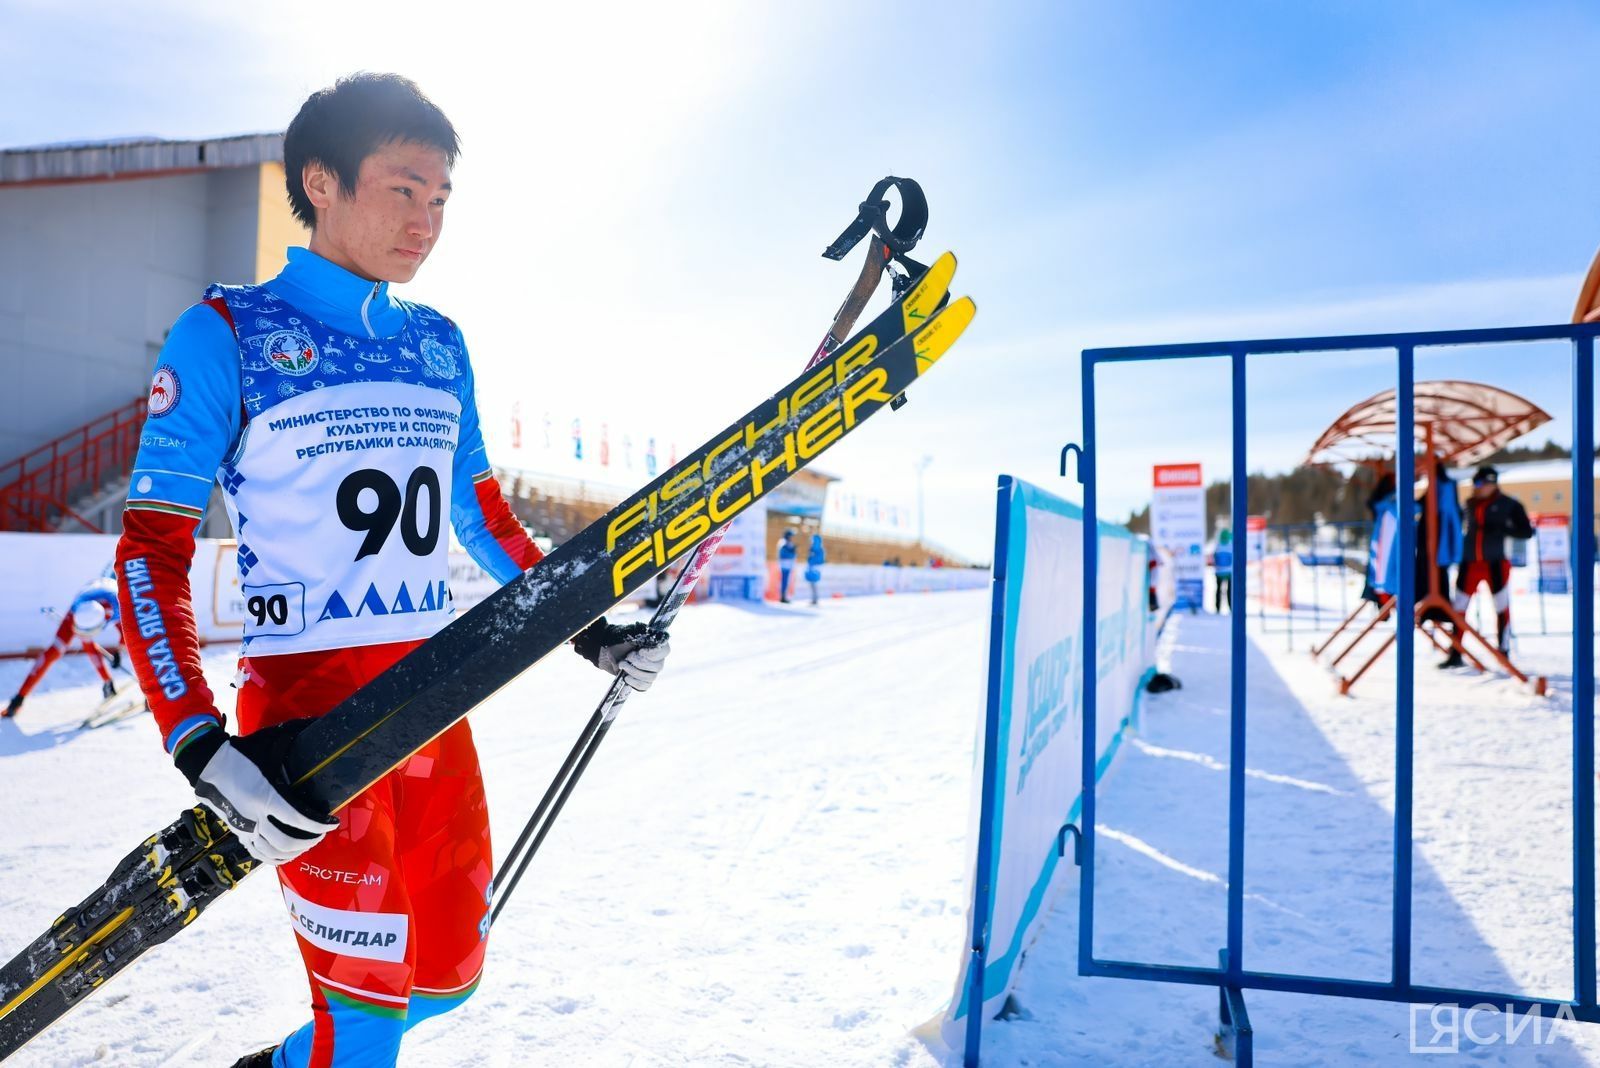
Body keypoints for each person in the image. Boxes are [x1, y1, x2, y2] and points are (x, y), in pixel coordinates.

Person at [113, 74, 672, 1068]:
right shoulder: (228, 332)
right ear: (321, 183)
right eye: (404, 190)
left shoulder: (437, 344)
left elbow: (481, 517)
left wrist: (586, 627)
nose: (427, 223)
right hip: (312, 721)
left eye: (441, 198)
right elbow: (152, 550)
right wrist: (198, 740)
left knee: (446, 980)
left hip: (432, 698)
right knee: (366, 1022)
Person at [1442, 464, 1534, 665]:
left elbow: (1526, 531)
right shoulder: (1469, 504)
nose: (1477, 488)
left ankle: (1503, 651)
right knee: (1459, 606)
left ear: (1492, 483)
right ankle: (1455, 651)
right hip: (1469, 563)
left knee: (1501, 607)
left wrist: (1503, 529)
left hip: (1496, 563)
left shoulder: (1509, 504)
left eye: (1480, 483)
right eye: (1475, 483)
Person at [5, 568, 123, 718]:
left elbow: (126, 637)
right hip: (88, 599)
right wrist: (107, 678)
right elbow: (87, 644)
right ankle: (19, 698)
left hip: (111, 596)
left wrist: (118, 652)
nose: (82, 636)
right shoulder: (78, 609)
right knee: (54, 651)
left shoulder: (119, 610)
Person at [1210, 529, 1234, 613]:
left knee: (1218, 590)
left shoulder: (1218, 545)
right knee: (1230, 591)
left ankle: (1217, 608)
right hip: (1229, 572)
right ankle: (1231, 607)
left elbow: (1214, 557)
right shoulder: (1231, 545)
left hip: (1219, 572)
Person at [804, 532, 825, 605]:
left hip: (815, 568)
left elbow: (818, 559)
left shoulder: (818, 549)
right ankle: (814, 598)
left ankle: (815, 599)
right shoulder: (813, 548)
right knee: (812, 584)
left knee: (814, 584)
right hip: (813, 567)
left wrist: (812, 563)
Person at [776, 529, 797, 602]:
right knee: (784, 581)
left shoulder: (788, 543)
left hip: (788, 565)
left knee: (786, 581)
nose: (791, 537)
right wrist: (791, 552)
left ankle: (784, 596)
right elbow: (783, 554)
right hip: (784, 565)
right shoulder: (783, 542)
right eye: (790, 536)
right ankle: (782, 597)